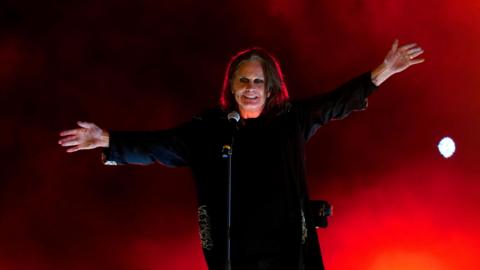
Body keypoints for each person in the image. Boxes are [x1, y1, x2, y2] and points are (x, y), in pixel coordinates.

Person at [58, 40, 424, 270]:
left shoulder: (290, 121)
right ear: (231, 88)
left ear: (271, 89)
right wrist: (105, 138)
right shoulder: (210, 130)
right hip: (234, 257)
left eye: (258, 81)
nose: (251, 88)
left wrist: (383, 71)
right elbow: (159, 145)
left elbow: (335, 104)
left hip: (288, 256)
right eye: (243, 81)